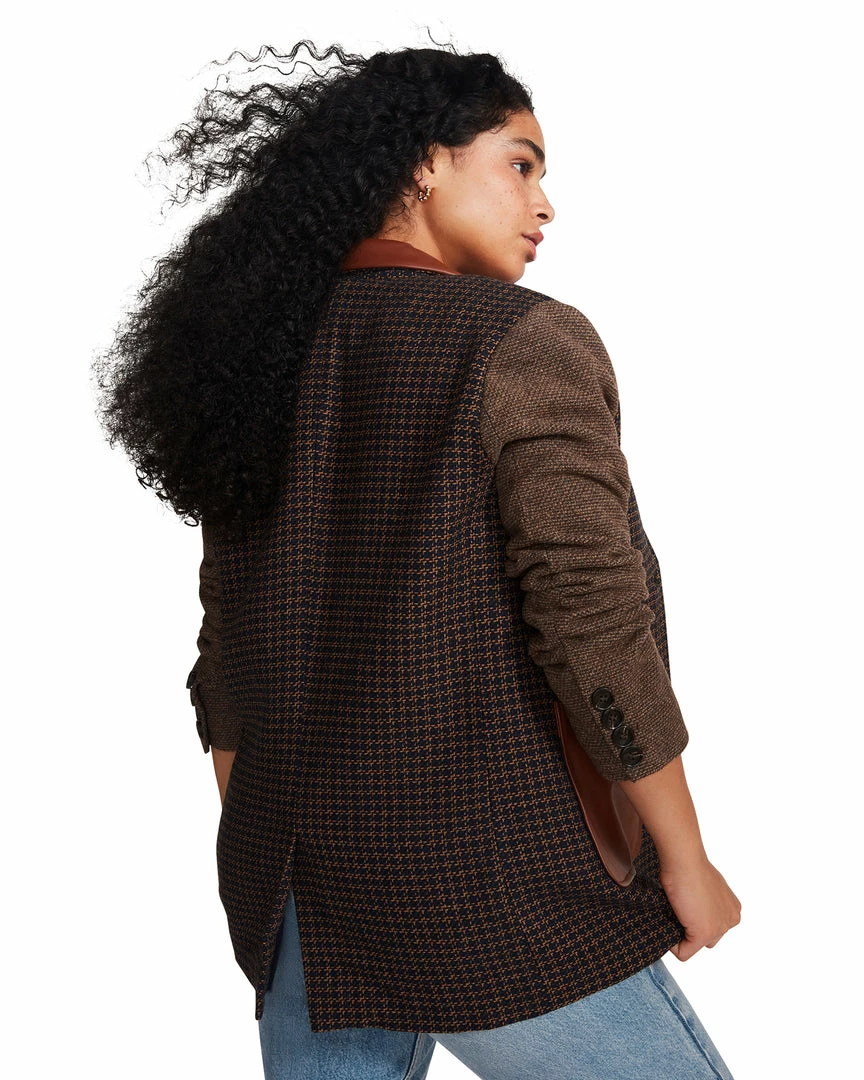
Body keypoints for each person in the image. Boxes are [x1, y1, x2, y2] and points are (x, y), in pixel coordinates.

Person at [95, 41, 741, 1079]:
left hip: (303, 898)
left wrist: (285, 862)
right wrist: (686, 855)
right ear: (424, 163)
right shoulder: (522, 340)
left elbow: (231, 656)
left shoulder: (258, 362)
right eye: (520, 164)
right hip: (492, 895)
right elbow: (588, 619)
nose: (545, 204)